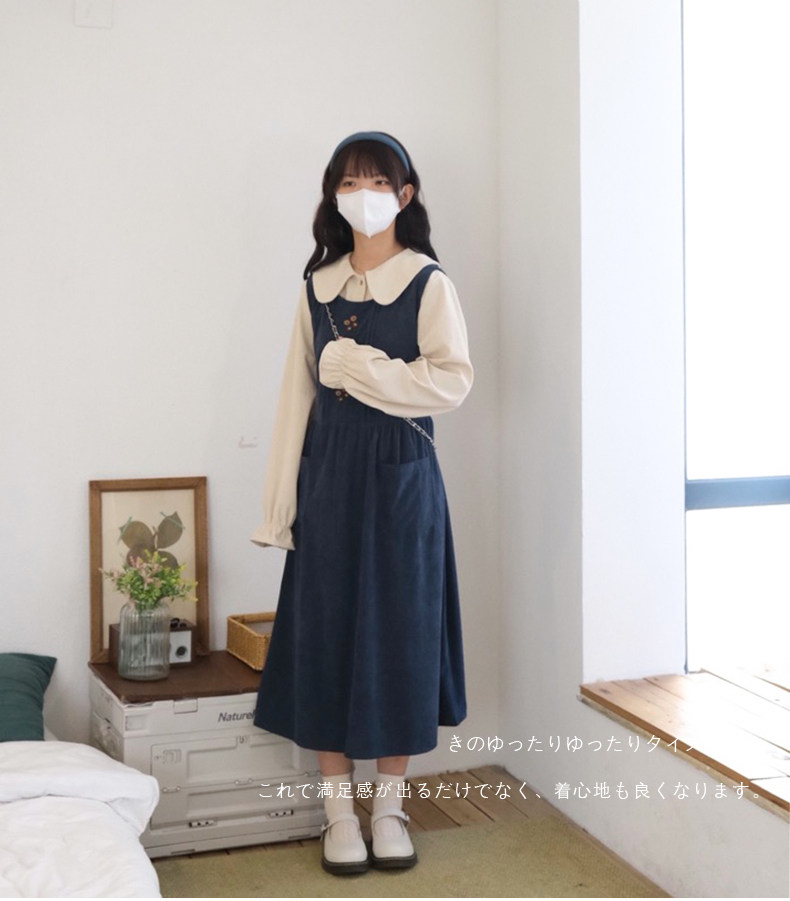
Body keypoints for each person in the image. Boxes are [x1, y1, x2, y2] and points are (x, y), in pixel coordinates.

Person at [250, 131, 473, 876]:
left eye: (377, 182)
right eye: (348, 183)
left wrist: (363, 368)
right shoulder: (316, 287)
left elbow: (453, 381)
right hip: (330, 478)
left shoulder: (428, 283)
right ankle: (338, 811)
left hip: (403, 478)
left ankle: (389, 807)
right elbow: (295, 400)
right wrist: (278, 509)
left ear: (404, 195)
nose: (362, 195)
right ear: (333, 196)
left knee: (401, 635)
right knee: (326, 634)